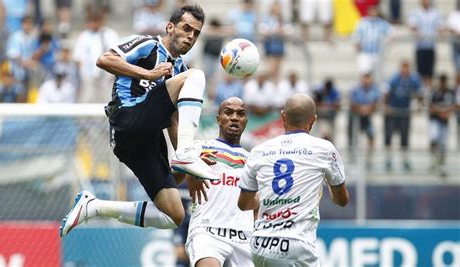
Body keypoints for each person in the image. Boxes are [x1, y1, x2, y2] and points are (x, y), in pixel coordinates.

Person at [59, 4, 220, 238]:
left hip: (144, 140)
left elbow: (174, 121)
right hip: (129, 118)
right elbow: (104, 59)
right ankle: (187, 152)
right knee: (197, 75)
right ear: (170, 27)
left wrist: (189, 166)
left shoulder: (180, 70)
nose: (190, 37)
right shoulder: (148, 45)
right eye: (186, 28)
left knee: (174, 215)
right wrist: (148, 74)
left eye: (196, 33)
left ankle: (93, 206)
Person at [237, 93, 349, 266]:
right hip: (297, 244)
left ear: (283, 115)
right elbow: (341, 200)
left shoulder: (259, 150)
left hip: (261, 243)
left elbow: (243, 204)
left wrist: (265, 198)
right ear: (313, 120)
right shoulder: (324, 149)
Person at [185, 97, 254, 267]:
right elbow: (174, 175)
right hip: (208, 232)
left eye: (241, 114)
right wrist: (190, 170)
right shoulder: (200, 148)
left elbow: (256, 203)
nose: (234, 118)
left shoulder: (253, 160)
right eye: (228, 112)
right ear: (218, 119)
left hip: (245, 237)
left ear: (246, 121)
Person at [383, 60, 423, 171]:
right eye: (403, 67)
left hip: (404, 112)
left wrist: (419, 105)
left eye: (407, 68)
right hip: (393, 112)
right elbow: (386, 92)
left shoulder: (413, 79)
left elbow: (420, 92)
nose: (405, 70)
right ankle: (388, 160)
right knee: (388, 137)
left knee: (404, 138)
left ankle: (405, 160)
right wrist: (385, 105)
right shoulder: (394, 78)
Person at [408, 0, 443, 90]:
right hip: (420, 46)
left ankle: (429, 91)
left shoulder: (435, 13)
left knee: (430, 71)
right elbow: (413, 26)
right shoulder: (416, 12)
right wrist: (419, 33)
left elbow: (440, 27)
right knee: (420, 71)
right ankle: (421, 90)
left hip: (430, 46)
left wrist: (437, 32)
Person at [348, 72, 380, 168]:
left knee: (371, 136)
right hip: (354, 117)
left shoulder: (373, 89)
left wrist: (368, 109)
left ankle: (369, 160)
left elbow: (376, 103)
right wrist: (360, 109)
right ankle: (352, 158)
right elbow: (351, 103)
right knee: (353, 137)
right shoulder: (356, 89)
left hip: (366, 117)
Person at [353, 5, 393, 78]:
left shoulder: (382, 23)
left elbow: (392, 32)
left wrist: (387, 41)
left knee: (377, 75)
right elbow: (356, 37)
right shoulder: (362, 22)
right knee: (364, 72)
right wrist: (357, 52)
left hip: (377, 53)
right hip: (365, 52)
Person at [429, 74, 455, 177]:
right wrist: (440, 112)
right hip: (435, 120)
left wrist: (447, 112)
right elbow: (431, 105)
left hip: (445, 122)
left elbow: (453, 105)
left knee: (443, 144)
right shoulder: (435, 93)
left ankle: (442, 163)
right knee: (434, 138)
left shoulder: (450, 92)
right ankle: (433, 159)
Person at [312, 78, 341, 142]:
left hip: (331, 117)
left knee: (331, 136)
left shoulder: (334, 92)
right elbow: (315, 103)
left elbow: (337, 105)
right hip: (321, 117)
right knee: (324, 134)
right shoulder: (319, 91)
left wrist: (327, 105)